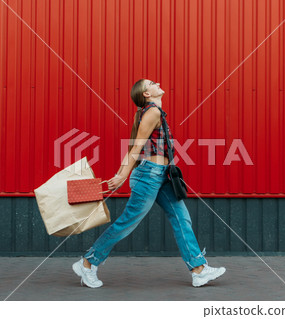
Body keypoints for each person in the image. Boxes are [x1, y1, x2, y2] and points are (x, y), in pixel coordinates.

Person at [72, 79, 226, 288]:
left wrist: (123, 173)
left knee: (182, 218)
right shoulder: (152, 112)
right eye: (152, 83)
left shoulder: (153, 113)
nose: (158, 83)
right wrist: (122, 175)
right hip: (149, 176)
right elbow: (135, 148)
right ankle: (88, 262)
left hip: (161, 176)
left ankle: (198, 270)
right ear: (146, 94)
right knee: (127, 222)